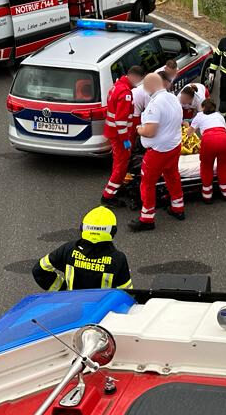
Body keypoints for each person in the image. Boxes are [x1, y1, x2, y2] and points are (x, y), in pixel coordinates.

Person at [130, 73, 185, 232]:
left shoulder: (155, 105)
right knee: (172, 176)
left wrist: (138, 129)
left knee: (147, 183)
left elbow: (150, 131)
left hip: (158, 151)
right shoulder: (173, 98)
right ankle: (178, 208)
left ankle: (147, 219)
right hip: (174, 146)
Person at [32, 206, 132, 291]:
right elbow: (126, 293)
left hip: (74, 307)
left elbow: (39, 270)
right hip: (102, 311)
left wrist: (62, 290)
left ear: (82, 228)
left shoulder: (68, 250)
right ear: (113, 231)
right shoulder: (118, 259)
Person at [100, 64, 137, 206]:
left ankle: (116, 187)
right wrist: (125, 140)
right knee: (121, 164)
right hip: (119, 135)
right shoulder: (125, 93)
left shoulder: (117, 86)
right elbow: (121, 121)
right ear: (134, 76)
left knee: (117, 162)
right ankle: (108, 196)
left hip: (112, 132)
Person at [189, 99, 226, 203]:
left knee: (206, 166)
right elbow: (223, 128)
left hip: (209, 140)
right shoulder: (219, 115)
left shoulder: (199, 116)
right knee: (224, 165)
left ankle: (207, 195)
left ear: (203, 107)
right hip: (225, 138)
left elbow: (190, 133)